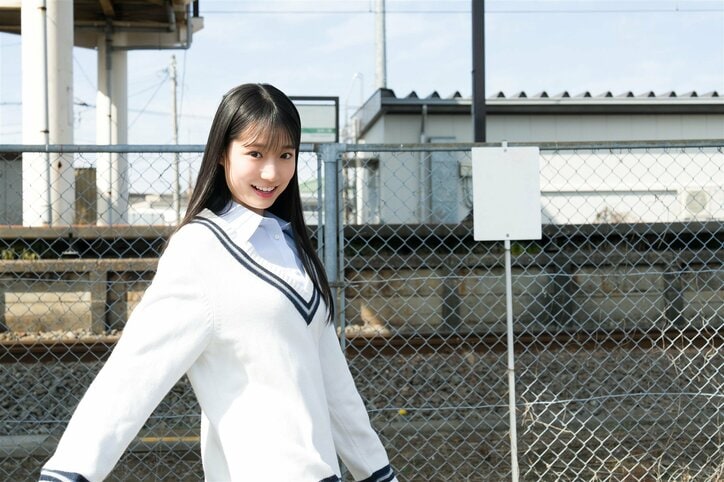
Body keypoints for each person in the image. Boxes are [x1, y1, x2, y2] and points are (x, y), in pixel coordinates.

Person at [39, 83, 398, 482]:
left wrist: (376, 472)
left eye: (285, 155)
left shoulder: (291, 245)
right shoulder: (199, 249)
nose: (272, 172)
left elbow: (334, 384)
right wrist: (67, 473)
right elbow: (133, 375)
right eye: (255, 153)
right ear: (223, 153)